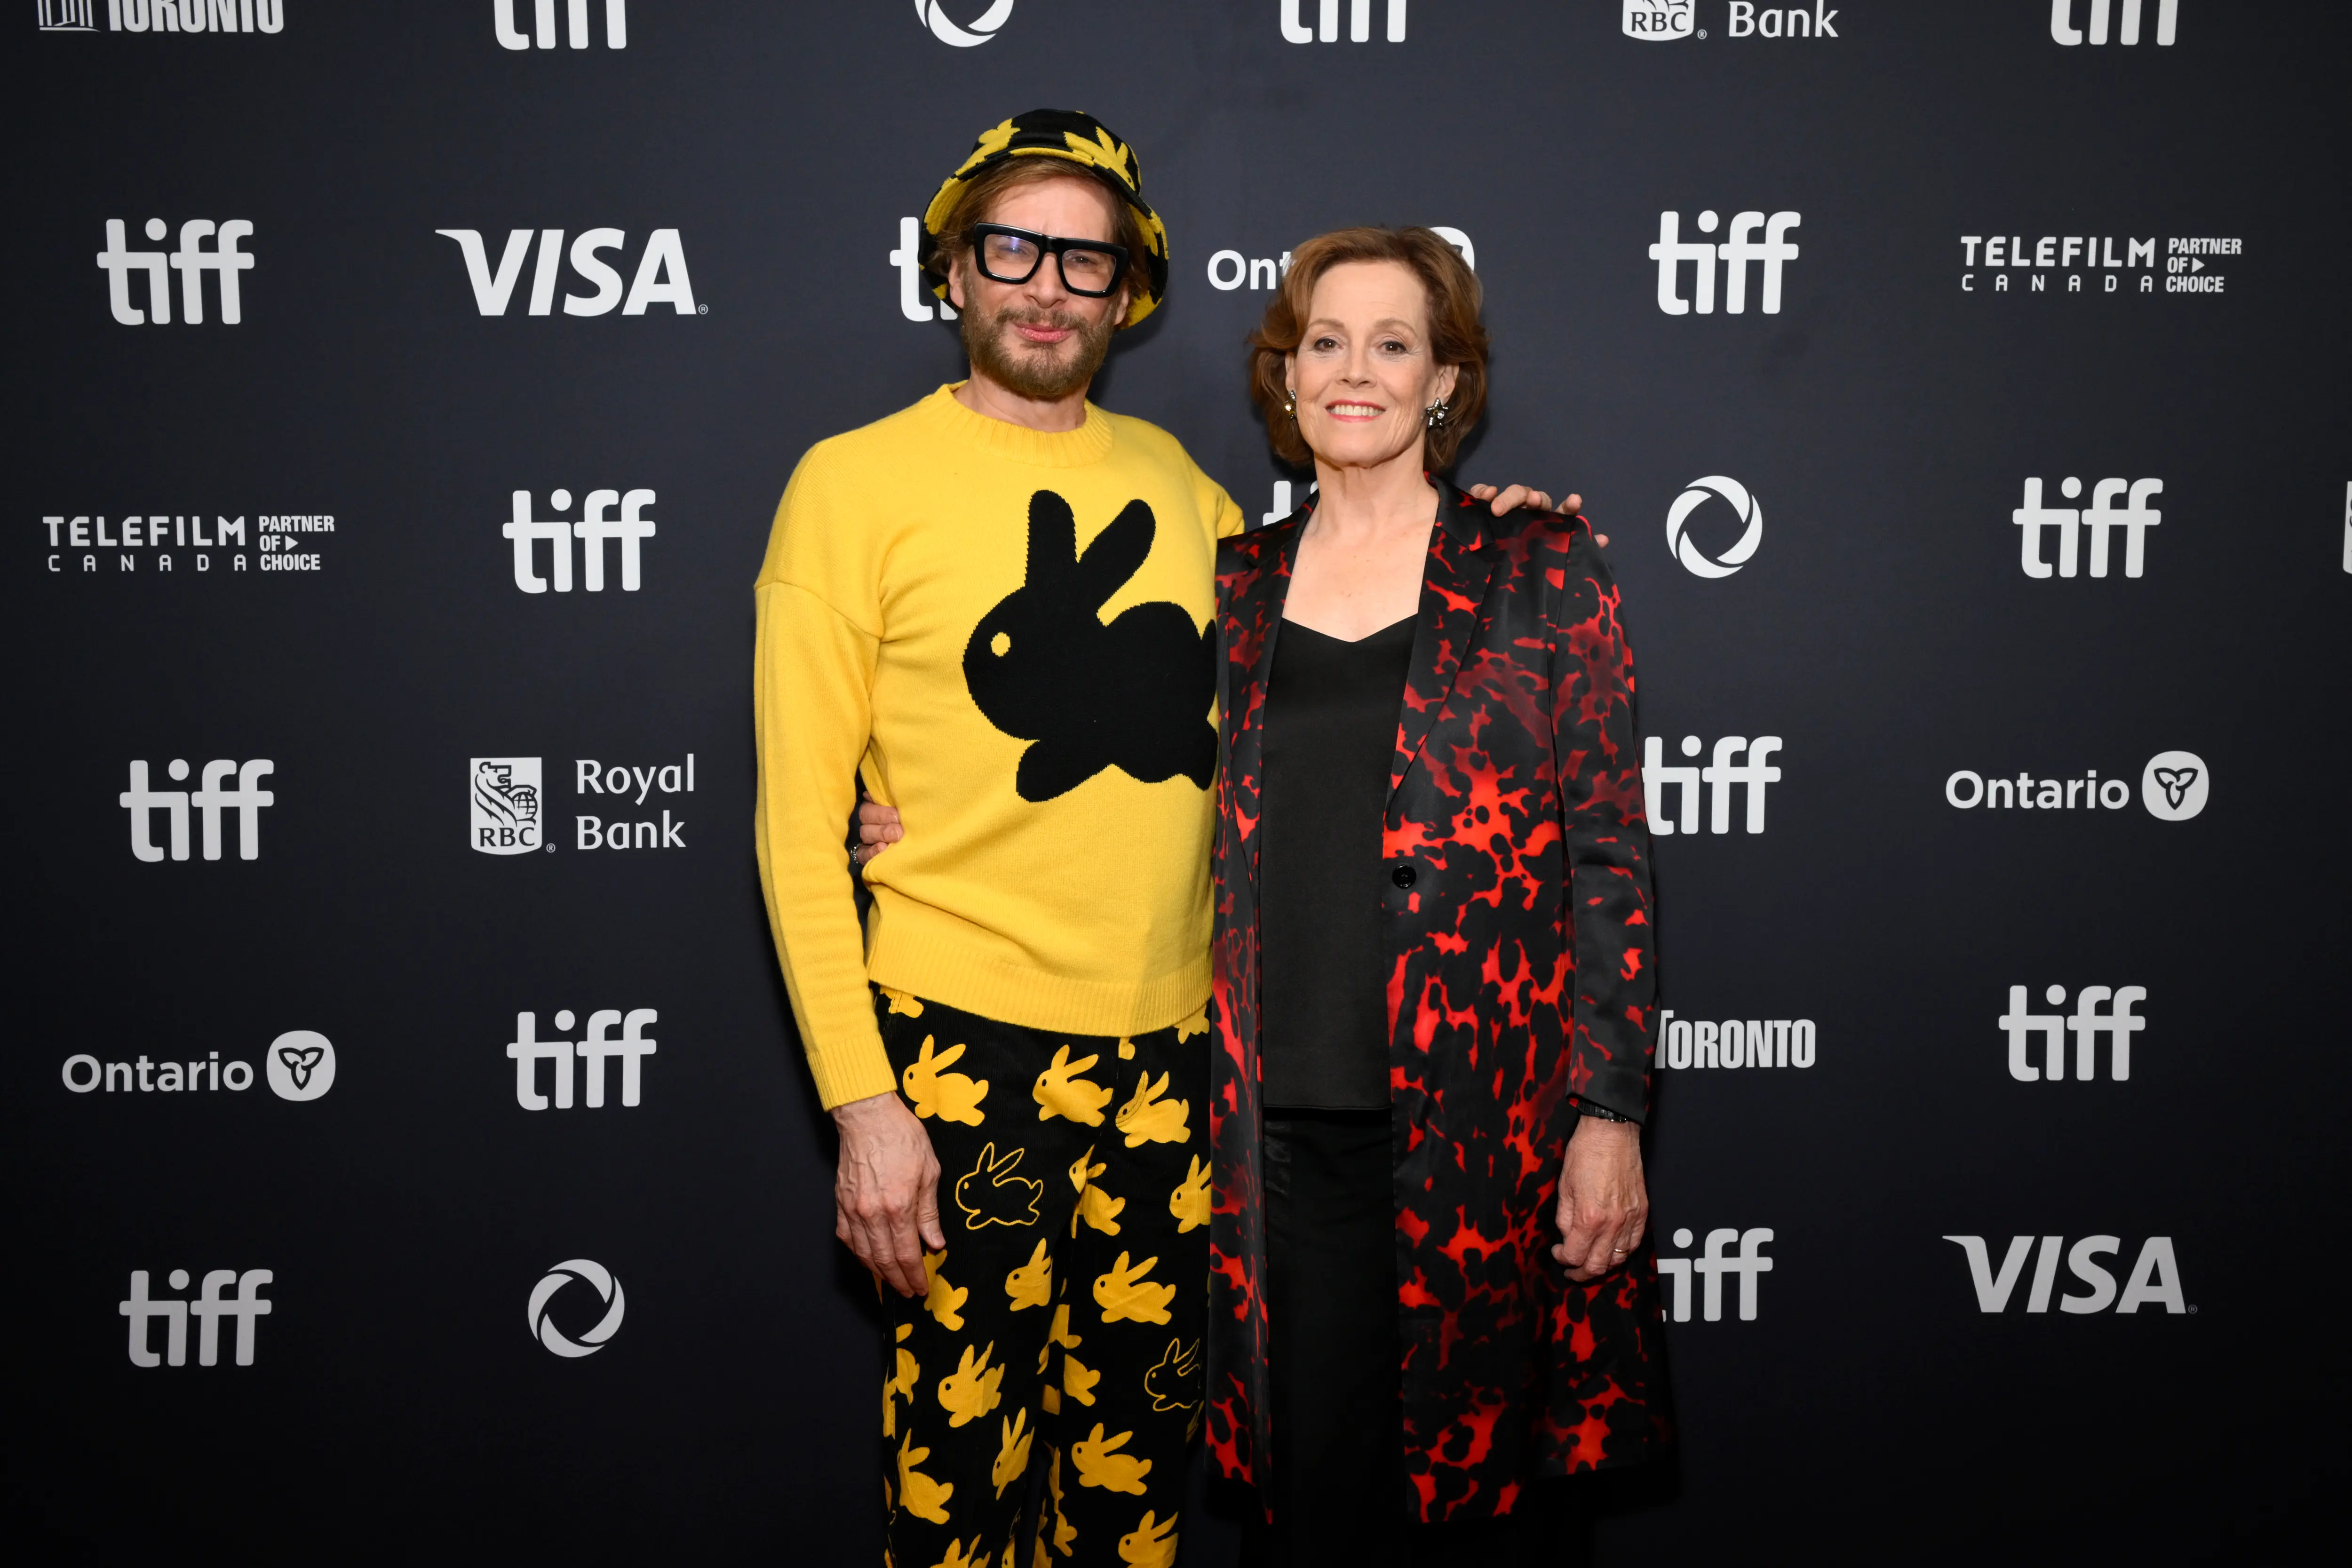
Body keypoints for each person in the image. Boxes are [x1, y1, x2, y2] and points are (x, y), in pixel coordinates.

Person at [756, 114, 1565, 1567]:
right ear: (955, 268)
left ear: (1130, 293)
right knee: (958, 1492)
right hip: (954, 1056)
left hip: (1184, 1074)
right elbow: (798, 829)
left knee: (1133, 1498)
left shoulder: (1191, 498)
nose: (1048, 286)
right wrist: (866, 1106)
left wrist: (1489, 541)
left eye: (1088, 257)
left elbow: (1348, 616)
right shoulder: (847, 487)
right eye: (1016, 247)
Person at [1203, 228, 1670, 1566]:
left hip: (1488, 1146)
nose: (1357, 371)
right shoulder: (1234, 586)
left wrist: (1611, 1113)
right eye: (1326, 341)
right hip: (1279, 1146)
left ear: (1444, 383)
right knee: (1313, 1518)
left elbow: (1611, 862)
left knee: (1485, 1526)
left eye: (1393, 342)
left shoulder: (1539, 569)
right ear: (1287, 378)